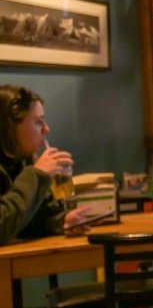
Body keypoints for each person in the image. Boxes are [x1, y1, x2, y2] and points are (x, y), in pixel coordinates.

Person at [0, 85, 91, 244]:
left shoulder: (24, 159)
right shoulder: (32, 169)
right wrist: (36, 175)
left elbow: (27, 222)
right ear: (10, 127)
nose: (46, 129)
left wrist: (61, 221)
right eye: (38, 122)